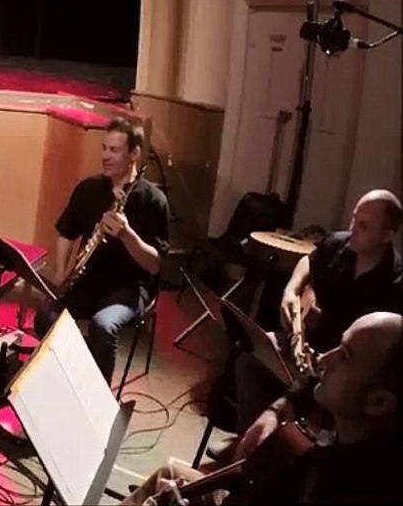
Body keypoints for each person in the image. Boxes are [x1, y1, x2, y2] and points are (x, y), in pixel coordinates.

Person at [122, 311, 402, 505]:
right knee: (170, 474)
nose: (324, 360)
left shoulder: (356, 487)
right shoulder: (334, 447)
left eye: (345, 356)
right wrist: (276, 411)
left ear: (379, 402)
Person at [226, 189, 402, 450]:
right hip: (304, 349)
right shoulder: (339, 244)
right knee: (248, 361)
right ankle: (250, 445)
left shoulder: (395, 288)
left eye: (364, 226)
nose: (353, 228)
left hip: (336, 371)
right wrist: (292, 290)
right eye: (354, 219)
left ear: (387, 235)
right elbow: (309, 261)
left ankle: (275, 450)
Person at [32, 118, 169, 382]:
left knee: (103, 326)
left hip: (129, 288)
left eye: (114, 150)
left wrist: (127, 235)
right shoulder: (88, 188)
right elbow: (66, 233)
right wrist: (61, 271)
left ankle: (98, 397)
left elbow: (154, 265)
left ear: (134, 154)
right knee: (45, 318)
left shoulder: (154, 200)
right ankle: (67, 377)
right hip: (88, 280)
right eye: (104, 148)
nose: (105, 156)